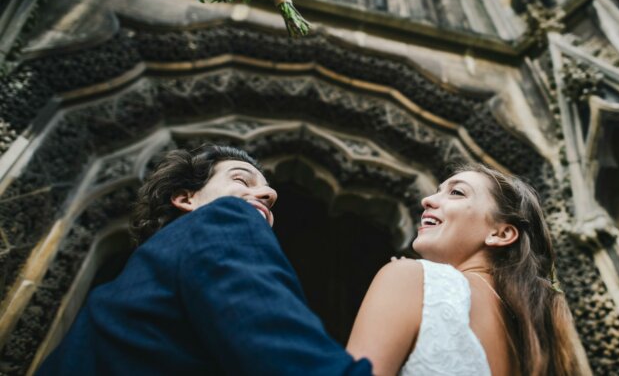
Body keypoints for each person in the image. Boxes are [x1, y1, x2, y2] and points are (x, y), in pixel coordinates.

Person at [37, 145, 372, 376]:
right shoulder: (226, 218)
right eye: (242, 179)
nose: (271, 195)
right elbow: (290, 356)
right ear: (186, 198)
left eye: (269, 192)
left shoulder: (130, 287)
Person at [346, 164, 589, 376]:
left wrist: (409, 281)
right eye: (439, 190)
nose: (427, 200)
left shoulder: (408, 278)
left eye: (456, 192)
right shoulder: (537, 342)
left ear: (500, 233)